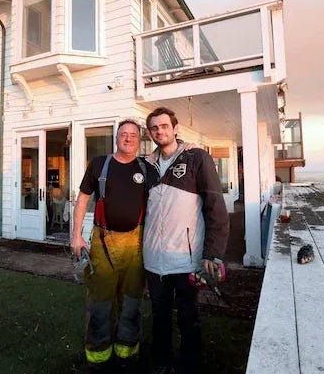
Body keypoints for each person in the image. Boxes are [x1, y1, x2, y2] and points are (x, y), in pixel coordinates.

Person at [142, 107, 230, 374]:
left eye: (164, 126)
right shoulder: (146, 166)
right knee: (159, 317)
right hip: (154, 259)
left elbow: (215, 207)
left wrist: (213, 254)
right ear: (150, 132)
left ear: (175, 128)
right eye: (155, 128)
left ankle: (190, 364)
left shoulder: (197, 158)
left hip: (186, 258)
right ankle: (162, 362)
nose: (160, 131)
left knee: (189, 317)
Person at [71, 119, 157, 373]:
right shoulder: (99, 164)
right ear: (116, 138)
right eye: (123, 134)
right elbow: (83, 198)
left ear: (139, 140)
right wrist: (76, 234)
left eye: (133, 135)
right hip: (102, 242)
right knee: (100, 300)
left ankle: (127, 351)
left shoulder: (147, 168)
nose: (128, 138)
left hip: (136, 244)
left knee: (131, 300)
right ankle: (98, 355)